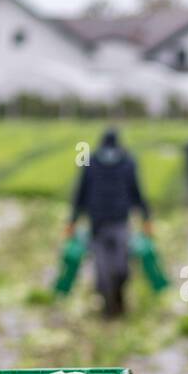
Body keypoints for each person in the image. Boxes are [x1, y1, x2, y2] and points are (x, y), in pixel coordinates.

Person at [68, 128, 152, 318]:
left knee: (121, 267)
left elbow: (136, 190)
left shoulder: (128, 163)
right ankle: (108, 306)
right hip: (97, 223)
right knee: (103, 267)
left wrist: (146, 217)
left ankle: (118, 298)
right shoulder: (89, 163)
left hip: (120, 221)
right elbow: (80, 192)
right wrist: (72, 220)